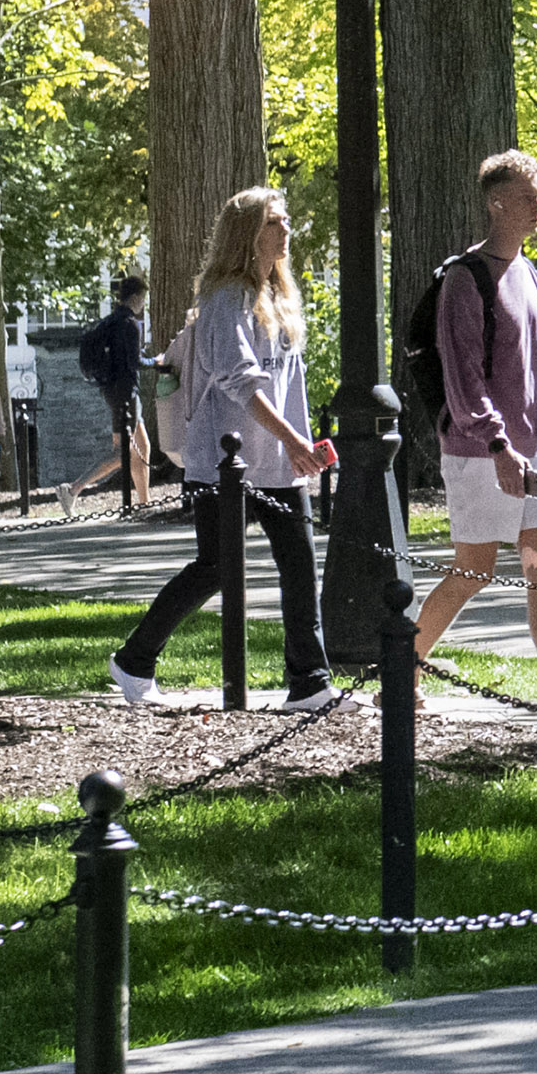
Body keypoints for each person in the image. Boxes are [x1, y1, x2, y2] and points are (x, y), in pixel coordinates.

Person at [107, 191, 338, 710]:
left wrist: (300, 448)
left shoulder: (279, 294)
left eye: (286, 221)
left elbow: (287, 386)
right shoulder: (224, 299)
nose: (286, 232)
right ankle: (134, 660)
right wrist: (293, 440)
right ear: (248, 233)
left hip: (279, 465)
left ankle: (309, 685)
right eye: (275, 223)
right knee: (214, 568)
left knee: (300, 567)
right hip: (224, 464)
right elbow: (240, 380)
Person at [408, 152, 537, 712]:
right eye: (529, 195)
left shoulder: (530, 274)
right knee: (473, 570)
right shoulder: (465, 279)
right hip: (482, 452)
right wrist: (497, 445)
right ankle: (404, 665)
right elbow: (462, 377)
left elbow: (534, 370)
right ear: (497, 202)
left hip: (535, 452)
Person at [60, 275, 151, 515]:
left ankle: (144, 504)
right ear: (137, 297)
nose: (144, 304)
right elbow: (135, 362)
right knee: (122, 453)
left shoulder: (110, 321)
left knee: (143, 446)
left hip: (112, 390)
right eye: (143, 299)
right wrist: (158, 361)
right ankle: (73, 489)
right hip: (126, 393)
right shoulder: (131, 324)